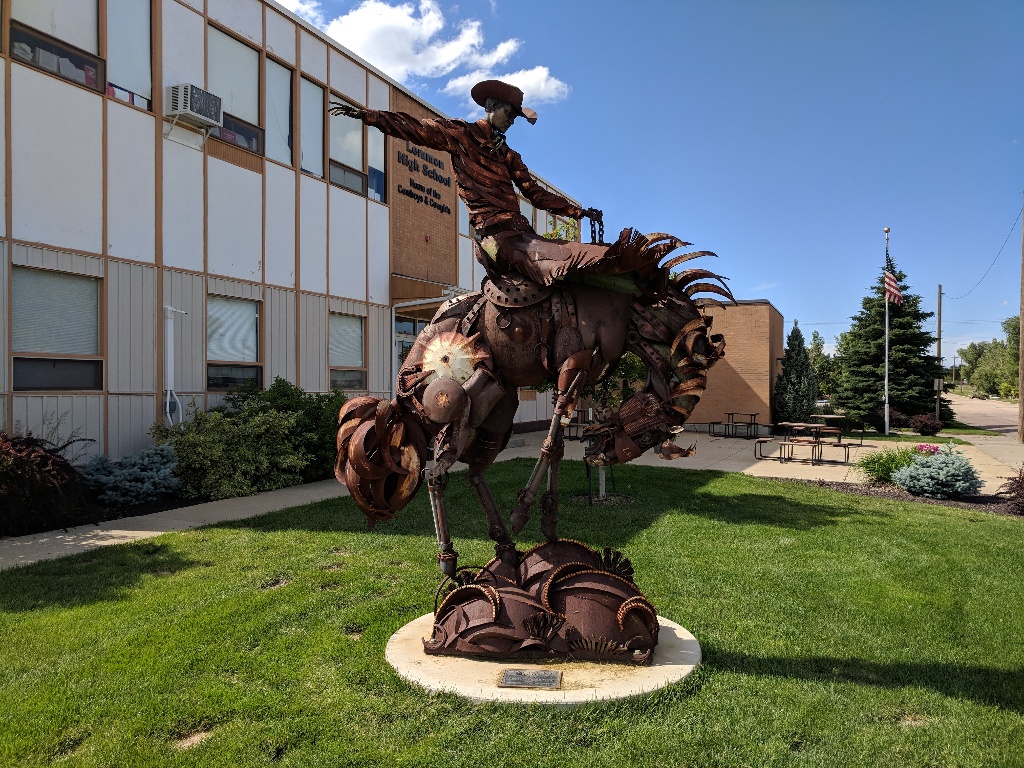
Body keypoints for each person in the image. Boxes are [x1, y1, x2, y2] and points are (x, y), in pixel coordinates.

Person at [331, 80, 640, 287]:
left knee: (584, 252)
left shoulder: (509, 155)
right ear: (491, 106)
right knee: (563, 263)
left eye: (515, 118)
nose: (511, 121)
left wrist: (577, 212)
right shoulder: (461, 135)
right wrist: (372, 116)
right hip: (497, 238)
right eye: (508, 113)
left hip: (523, 234)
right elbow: (418, 129)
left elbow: (534, 193)